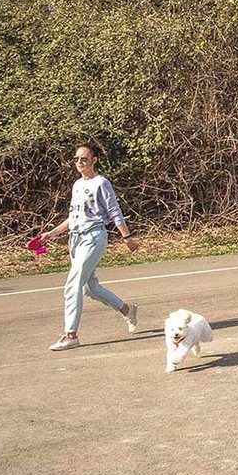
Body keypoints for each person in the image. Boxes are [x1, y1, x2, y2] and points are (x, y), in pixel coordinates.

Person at [36, 142, 140, 351]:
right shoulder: (77, 185)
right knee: (89, 288)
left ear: (94, 160)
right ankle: (127, 310)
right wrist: (51, 233)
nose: (79, 162)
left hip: (93, 237)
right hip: (75, 240)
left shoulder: (101, 183)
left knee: (73, 284)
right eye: (76, 159)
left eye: (84, 159)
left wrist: (126, 236)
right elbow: (74, 217)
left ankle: (71, 335)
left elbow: (114, 211)